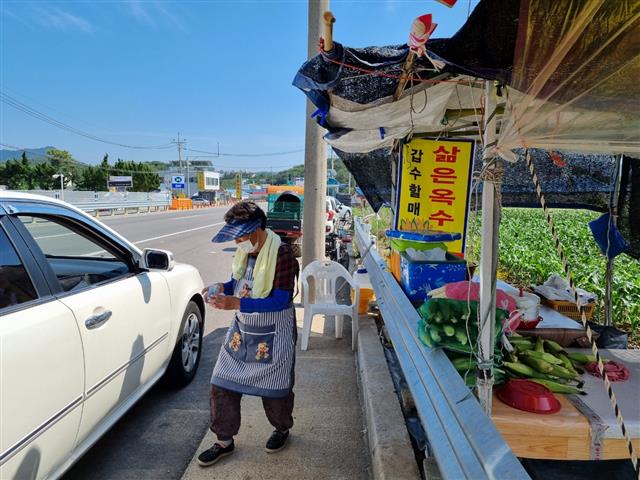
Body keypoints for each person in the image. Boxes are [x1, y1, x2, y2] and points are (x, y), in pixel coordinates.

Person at [198, 201, 299, 467]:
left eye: (241, 235)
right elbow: (237, 282)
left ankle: (282, 428)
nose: (239, 241)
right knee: (221, 383)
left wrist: (235, 303)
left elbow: (280, 300)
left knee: (275, 392)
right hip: (242, 332)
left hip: (274, 334)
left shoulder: (283, 254)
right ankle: (224, 441)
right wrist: (222, 287)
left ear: (257, 230)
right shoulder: (246, 253)